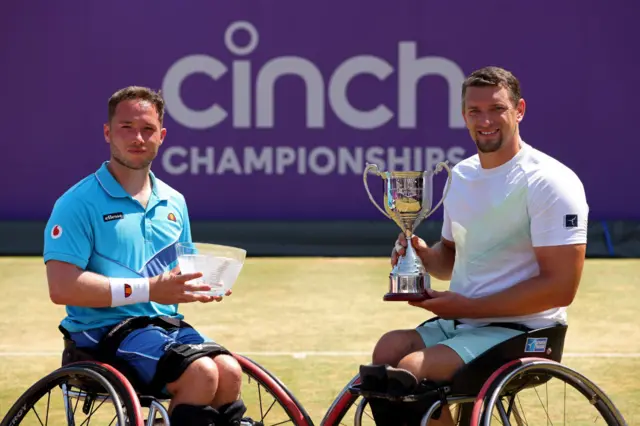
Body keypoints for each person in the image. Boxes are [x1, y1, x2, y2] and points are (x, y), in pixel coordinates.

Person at [362, 66, 589, 425]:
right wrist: (419, 252)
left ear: (519, 111)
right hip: (465, 322)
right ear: (464, 116)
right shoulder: (461, 176)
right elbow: (449, 261)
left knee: (413, 370)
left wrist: (468, 306)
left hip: (527, 331)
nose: (485, 120)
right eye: (475, 111)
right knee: (387, 352)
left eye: (497, 108)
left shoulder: (551, 181)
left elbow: (561, 288)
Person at [43, 86, 258, 426]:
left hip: (163, 329)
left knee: (229, 371)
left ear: (162, 136)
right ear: (107, 132)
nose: (138, 138)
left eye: (147, 129)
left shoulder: (175, 201)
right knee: (201, 374)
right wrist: (149, 289)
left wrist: (201, 284)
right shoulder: (76, 203)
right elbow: (62, 287)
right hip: (100, 335)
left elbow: (176, 271)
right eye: (127, 127)